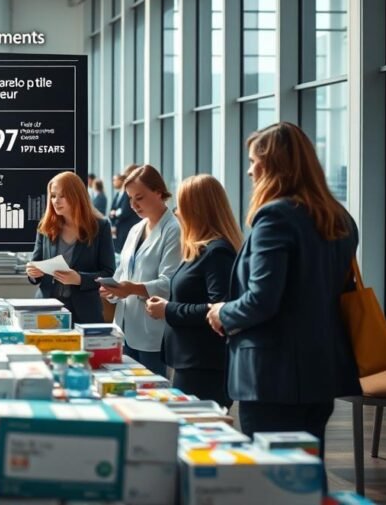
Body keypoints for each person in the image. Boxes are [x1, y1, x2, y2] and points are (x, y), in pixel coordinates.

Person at [207, 122, 360, 455]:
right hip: (320, 371)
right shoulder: (341, 219)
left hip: (272, 377)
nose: (249, 171)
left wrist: (222, 313)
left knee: (273, 474)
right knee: (307, 471)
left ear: (272, 165)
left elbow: (261, 300)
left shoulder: (275, 217)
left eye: (253, 161)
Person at [144, 175, 240, 408]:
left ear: (195, 210)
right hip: (190, 362)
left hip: (204, 365)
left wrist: (168, 309)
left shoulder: (217, 252)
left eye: (181, 206)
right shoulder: (199, 250)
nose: (176, 213)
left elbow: (219, 309)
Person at [100, 165, 181, 377]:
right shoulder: (136, 229)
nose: (133, 205)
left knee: (152, 391)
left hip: (152, 332)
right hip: (124, 329)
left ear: (159, 192)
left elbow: (170, 283)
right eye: (130, 199)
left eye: (139, 198)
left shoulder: (174, 230)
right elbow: (122, 273)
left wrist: (132, 289)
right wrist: (111, 290)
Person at [26, 171, 115, 324]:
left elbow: (108, 273)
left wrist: (80, 279)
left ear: (76, 196)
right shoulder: (46, 227)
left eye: (62, 196)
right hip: (47, 308)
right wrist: (33, 273)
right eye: (53, 196)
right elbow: (36, 266)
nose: (56, 201)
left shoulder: (100, 227)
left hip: (85, 312)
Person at [108, 164, 141, 253]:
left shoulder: (129, 193)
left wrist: (115, 213)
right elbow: (111, 211)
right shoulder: (119, 194)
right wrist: (114, 224)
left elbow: (124, 211)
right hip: (119, 230)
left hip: (128, 228)